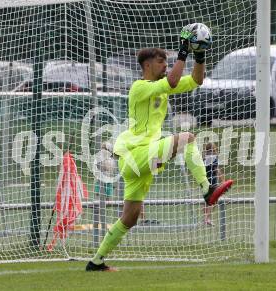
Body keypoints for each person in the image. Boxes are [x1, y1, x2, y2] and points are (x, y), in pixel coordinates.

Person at [86, 25, 233, 272]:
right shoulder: (140, 87)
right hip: (136, 155)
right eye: (160, 61)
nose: (165, 65)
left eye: (167, 60)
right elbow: (174, 79)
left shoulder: (162, 86)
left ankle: (96, 261)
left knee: (130, 218)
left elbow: (197, 80)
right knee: (187, 137)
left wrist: (198, 55)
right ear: (147, 66)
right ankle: (207, 190)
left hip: (141, 163)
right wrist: (182, 52)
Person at [202, 142, 225, 226]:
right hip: (212, 181)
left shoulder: (204, 158)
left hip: (204, 181)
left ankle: (205, 218)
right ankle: (207, 219)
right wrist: (223, 180)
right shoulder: (213, 158)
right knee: (213, 200)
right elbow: (216, 170)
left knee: (206, 200)